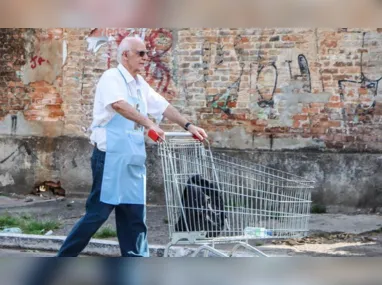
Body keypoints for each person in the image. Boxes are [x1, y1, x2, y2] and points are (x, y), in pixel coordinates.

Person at [56, 36, 208, 257]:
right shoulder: (112, 78)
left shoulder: (139, 85)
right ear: (125, 55)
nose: (146, 58)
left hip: (133, 159)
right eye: (141, 53)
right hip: (110, 159)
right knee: (97, 215)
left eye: (147, 53)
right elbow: (119, 105)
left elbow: (163, 106)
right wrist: (148, 123)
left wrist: (188, 125)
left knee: (135, 217)